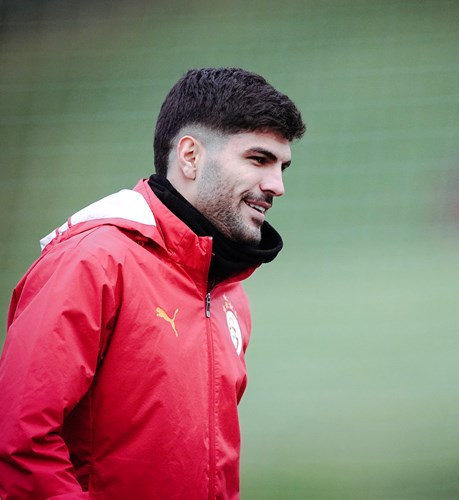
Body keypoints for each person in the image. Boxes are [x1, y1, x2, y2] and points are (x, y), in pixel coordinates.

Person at [0, 67, 306, 499]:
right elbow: (19, 444)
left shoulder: (228, 291)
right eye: (258, 160)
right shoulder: (93, 262)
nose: (277, 185)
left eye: (282, 166)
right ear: (190, 156)